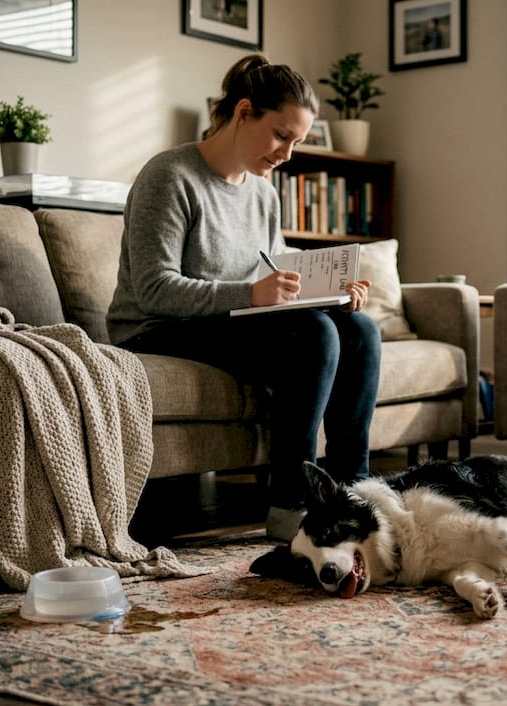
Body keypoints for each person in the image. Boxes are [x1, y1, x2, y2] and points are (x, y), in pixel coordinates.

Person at [107, 54, 380, 541]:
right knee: (312, 336)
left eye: (296, 142)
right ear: (243, 112)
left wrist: (330, 291)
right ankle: (290, 505)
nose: (287, 154)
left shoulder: (263, 193)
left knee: (359, 331)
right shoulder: (169, 176)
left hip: (231, 323)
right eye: (280, 135)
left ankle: (351, 492)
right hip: (156, 330)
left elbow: (273, 270)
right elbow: (153, 290)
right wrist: (252, 294)